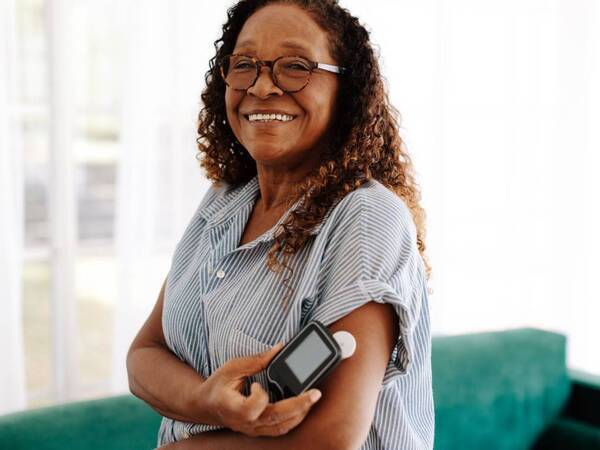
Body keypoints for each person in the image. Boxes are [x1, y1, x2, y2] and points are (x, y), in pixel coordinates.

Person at [126, 0, 435, 449]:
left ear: (345, 92)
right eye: (245, 64)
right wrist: (206, 399)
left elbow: (334, 435)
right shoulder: (224, 201)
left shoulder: (366, 218)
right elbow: (144, 354)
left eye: (295, 67)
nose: (263, 86)